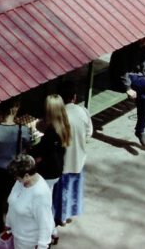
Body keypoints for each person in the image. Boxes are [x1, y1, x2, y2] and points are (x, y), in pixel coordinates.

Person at [0, 101, 32, 241]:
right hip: (14, 171)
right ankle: (14, 235)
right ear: (16, 109)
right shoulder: (22, 130)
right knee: (14, 205)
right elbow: (28, 143)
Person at [30, 94, 70, 244]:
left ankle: (47, 235)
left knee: (43, 206)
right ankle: (52, 230)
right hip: (57, 170)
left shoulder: (51, 132)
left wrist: (30, 152)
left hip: (48, 172)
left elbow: (43, 150)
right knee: (47, 202)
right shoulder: (63, 125)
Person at [57, 82, 92, 226]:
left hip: (64, 158)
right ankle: (70, 212)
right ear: (74, 97)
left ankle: (61, 216)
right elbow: (89, 132)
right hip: (79, 156)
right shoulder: (83, 111)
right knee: (74, 185)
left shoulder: (59, 115)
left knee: (63, 188)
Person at [4, 154, 54, 249]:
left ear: (26, 175)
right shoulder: (21, 182)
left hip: (29, 243)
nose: (16, 180)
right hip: (17, 237)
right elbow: (12, 202)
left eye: (17, 177)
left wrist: (42, 246)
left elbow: (45, 224)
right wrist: (8, 224)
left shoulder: (40, 195)